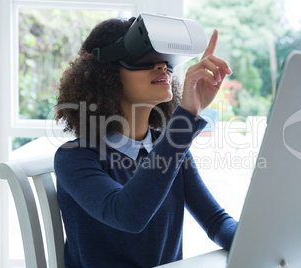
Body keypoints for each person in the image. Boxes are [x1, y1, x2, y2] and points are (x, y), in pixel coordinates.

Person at [54, 17, 238, 267]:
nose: (162, 66)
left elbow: (217, 221)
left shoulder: (172, 149)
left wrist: (272, 250)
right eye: (145, 58)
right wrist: (185, 120)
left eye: (166, 60)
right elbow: (127, 215)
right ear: (106, 74)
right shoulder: (75, 157)